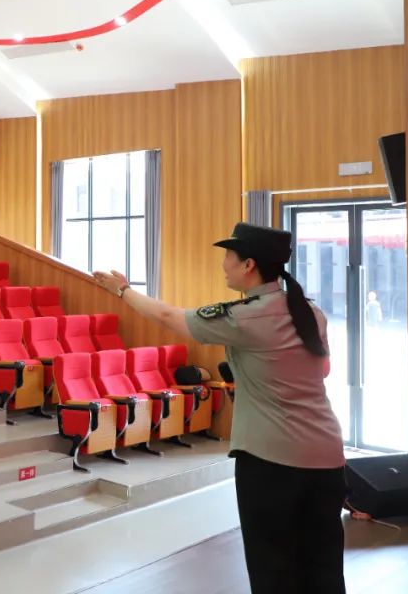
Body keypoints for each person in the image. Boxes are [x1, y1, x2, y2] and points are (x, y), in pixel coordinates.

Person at [92, 223, 345, 594]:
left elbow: (168, 317)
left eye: (229, 256)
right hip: (327, 456)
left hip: (273, 461)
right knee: (324, 566)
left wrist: (123, 290)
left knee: (273, 568)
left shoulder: (245, 317)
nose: (224, 264)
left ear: (248, 265)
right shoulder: (311, 312)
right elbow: (322, 370)